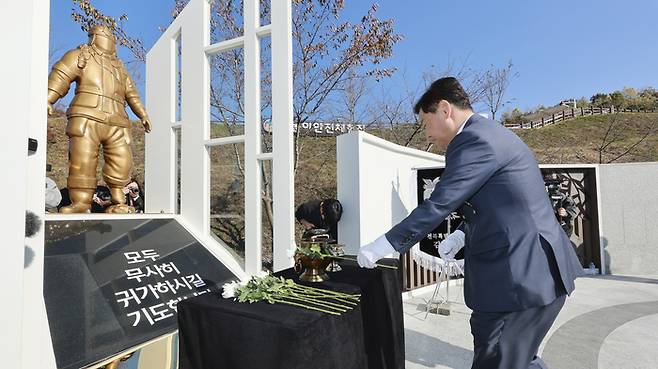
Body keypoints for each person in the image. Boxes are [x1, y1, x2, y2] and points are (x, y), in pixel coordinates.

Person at [357, 77, 582, 369]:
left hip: (519, 280)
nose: (427, 134)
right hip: (532, 275)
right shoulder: (491, 134)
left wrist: (383, 245)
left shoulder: (473, 140)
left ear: (444, 109)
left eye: (426, 123)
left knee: (498, 359)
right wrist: (461, 235)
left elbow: (440, 203)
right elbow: (503, 204)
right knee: (519, 360)